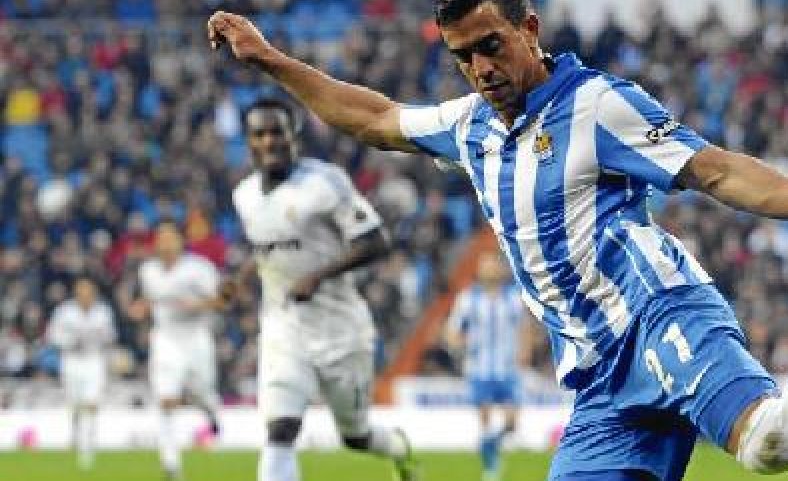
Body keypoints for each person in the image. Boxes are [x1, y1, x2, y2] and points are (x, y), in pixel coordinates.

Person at [207, 0, 788, 481]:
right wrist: (273, 61)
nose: (479, 67)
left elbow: (716, 169)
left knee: (768, 441)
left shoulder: (598, 105)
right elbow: (374, 117)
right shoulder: (469, 128)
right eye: (462, 53)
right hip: (598, 381)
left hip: (660, 317)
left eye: (492, 44)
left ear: (529, 28)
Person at [226, 97, 416, 481]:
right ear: (248, 141)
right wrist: (241, 279)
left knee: (356, 436)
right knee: (280, 428)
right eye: (258, 134)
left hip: (340, 330)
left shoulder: (324, 183)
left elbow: (376, 240)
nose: (268, 141)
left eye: (276, 131)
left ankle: (397, 448)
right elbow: (267, 248)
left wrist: (319, 275)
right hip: (284, 328)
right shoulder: (244, 194)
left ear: (293, 134)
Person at [134, 219, 225, 480]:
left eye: (169, 238)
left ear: (180, 241)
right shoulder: (148, 271)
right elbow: (152, 299)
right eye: (160, 239)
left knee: (203, 392)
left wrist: (195, 305)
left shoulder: (199, 269)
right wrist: (142, 307)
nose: (164, 244)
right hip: (166, 339)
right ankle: (170, 464)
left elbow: (220, 300)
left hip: (196, 338)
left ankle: (210, 411)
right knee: (165, 399)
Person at [445, 251, 530, 481]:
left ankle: (489, 445)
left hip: (508, 369)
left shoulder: (513, 297)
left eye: (494, 265)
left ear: (502, 270)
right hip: (479, 369)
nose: (490, 269)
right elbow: (452, 331)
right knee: (485, 419)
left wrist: (525, 351)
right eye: (486, 265)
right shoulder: (468, 298)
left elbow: (524, 328)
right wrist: (461, 343)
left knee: (511, 423)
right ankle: (491, 468)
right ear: (480, 270)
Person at [46, 277, 116, 470]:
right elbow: (52, 335)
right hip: (72, 360)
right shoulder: (64, 311)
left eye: (88, 291)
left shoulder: (103, 311)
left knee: (92, 404)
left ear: (93, 293)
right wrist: (69, 340)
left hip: (94, 360)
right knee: (75, 404)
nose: (85, 295)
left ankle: (88, 449)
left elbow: (110, 335)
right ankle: (75, 438)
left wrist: (97, 338)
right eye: (81, 291)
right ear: (76, 293)